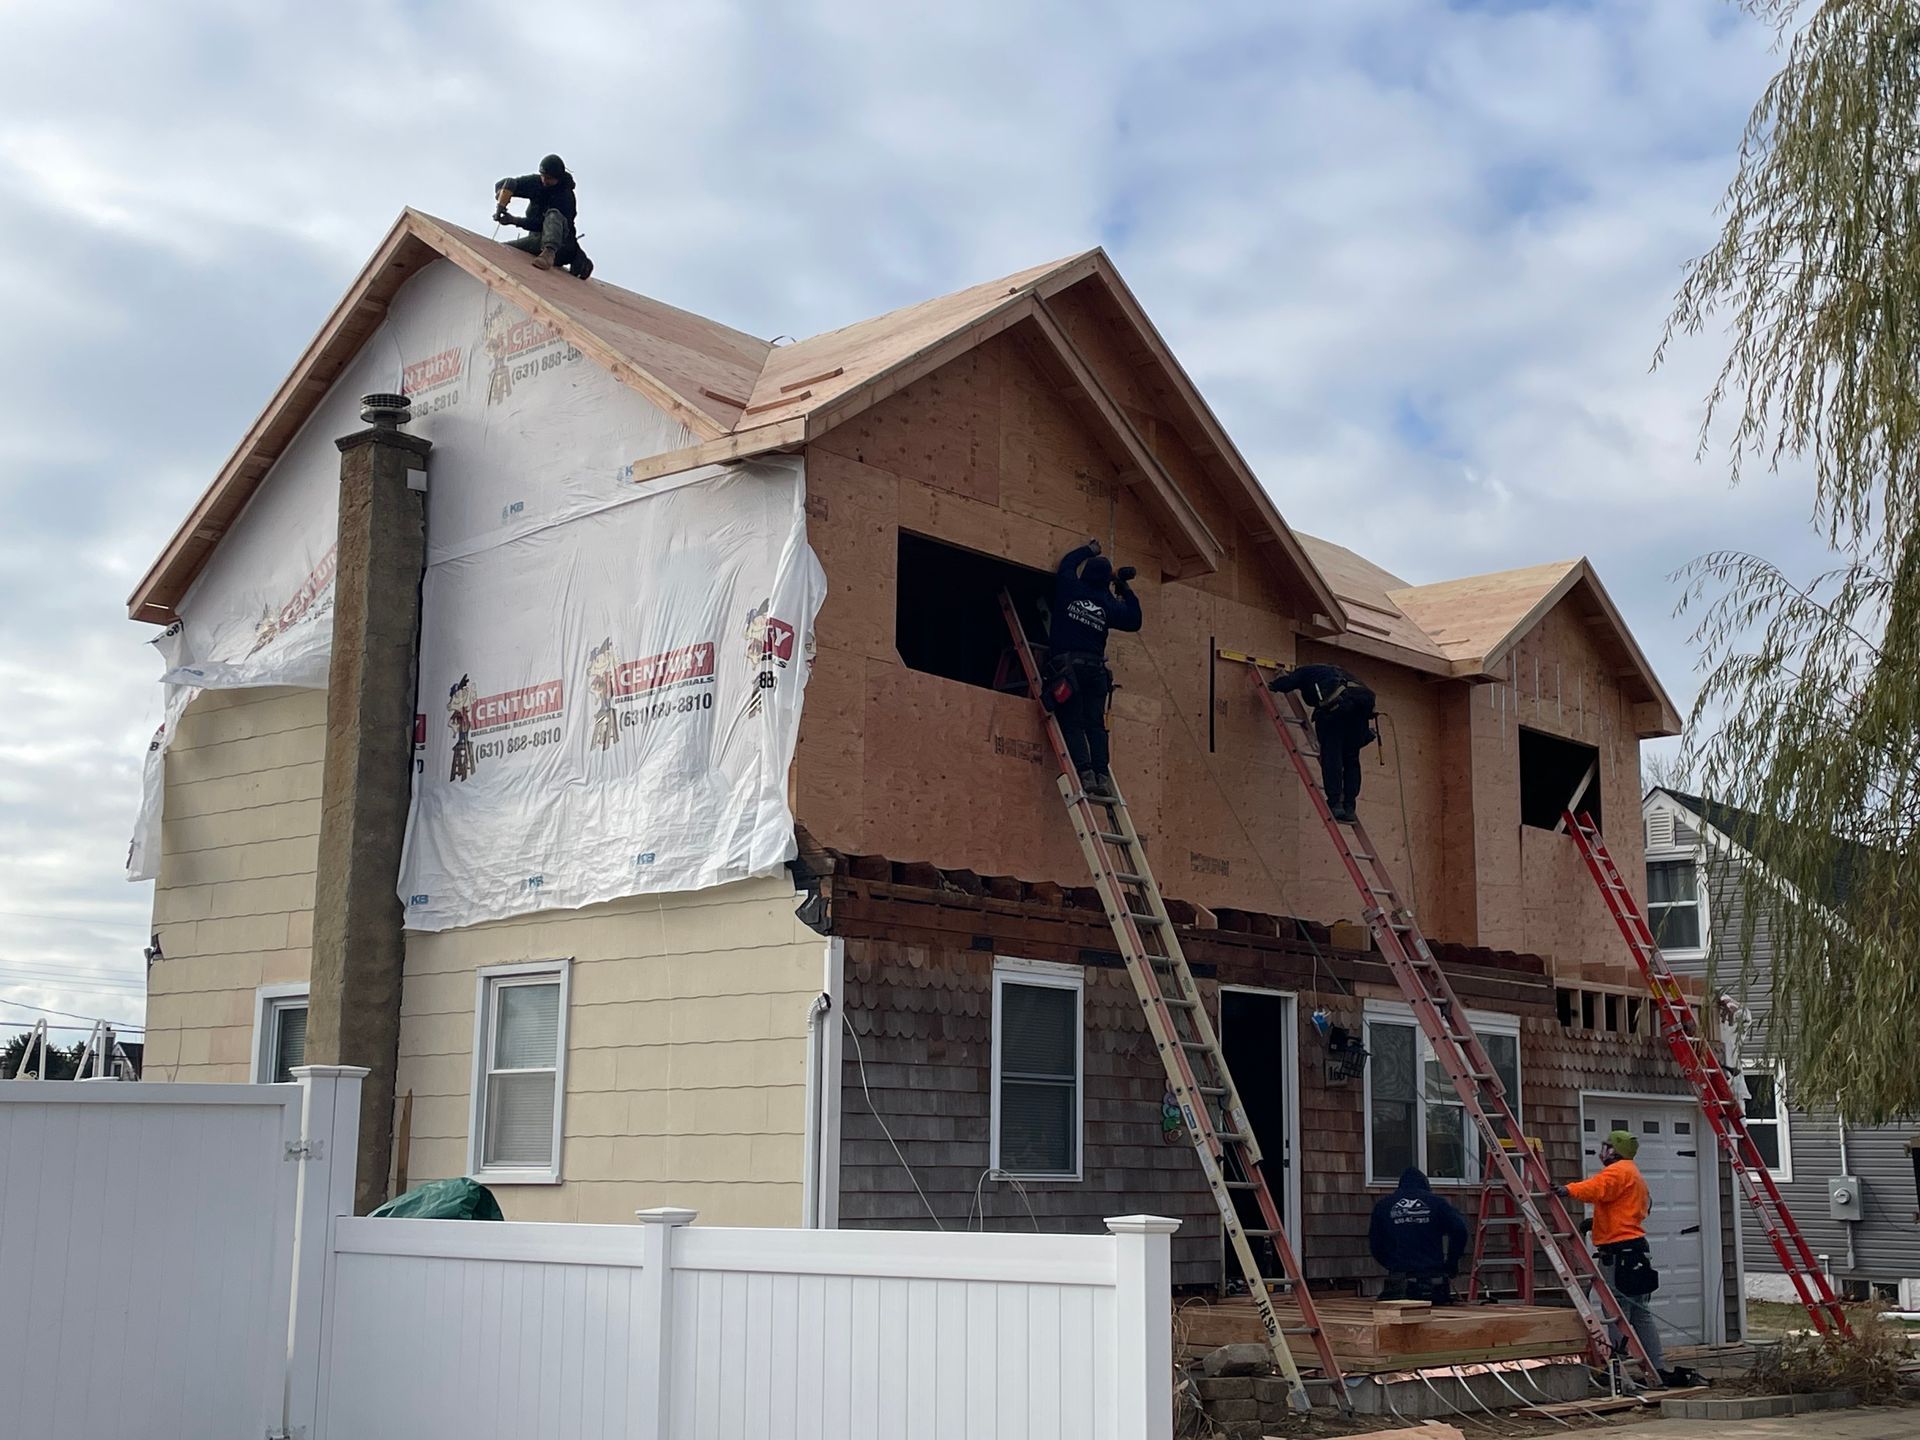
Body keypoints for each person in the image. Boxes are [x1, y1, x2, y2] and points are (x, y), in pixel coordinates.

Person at [1555, 1130, 1674, 1383]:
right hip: (1636, 1250)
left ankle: (1616, 1373)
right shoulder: (1634, 1174)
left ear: (1615, 1150)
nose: (1602, 1151)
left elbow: (1597, 1188)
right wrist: (1597, 1223)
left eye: (1606, 1146)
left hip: (1619, 1254)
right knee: (1641, 1313)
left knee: (1617, 1314)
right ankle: (1658, 1367)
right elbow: (1628, 1206)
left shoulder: (1618, 1171)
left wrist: (1567, 1190)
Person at [1046, 538, 1141, 799]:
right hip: (1095, 671)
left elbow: (1067, 564)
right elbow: (1134, 619)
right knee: (1095, 725)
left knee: (1073, 721)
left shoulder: (1070, 588)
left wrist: (1089, 550)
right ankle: (1102, 775)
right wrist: (1123, 587)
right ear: (1104, 581)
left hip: (1069, 669)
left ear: (1086, 573)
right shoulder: (1108, 605)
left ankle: (1086, 773)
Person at [1267, 662, 1376, 822]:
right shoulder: (1342, 673)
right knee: (1352, 761)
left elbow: (1286, 684)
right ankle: (1349, 807)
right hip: (1358, 719)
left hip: (1335, 716)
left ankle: (1335, 804)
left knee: (1333, 759)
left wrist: (1274, 684)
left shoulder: (1304, 672)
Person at [1369, 1167, 1469, 1304]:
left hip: (1399, 1284)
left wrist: (1392, 1264)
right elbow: (1460, 1229)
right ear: (1426, 1185)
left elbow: (1375, 1244)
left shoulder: (1383, 1206)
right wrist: (1451, 1263)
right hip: (1433, 1283)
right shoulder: (1437, 1204)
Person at [494, 154, 594, 279]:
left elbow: (540, 224)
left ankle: (549, 253)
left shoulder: (565, 196)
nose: (544, 181)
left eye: (549, 178)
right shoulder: (537, 183)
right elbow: (509, 183)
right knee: (503, 250)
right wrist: (503, 195)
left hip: (561, 246)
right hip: (537, 241)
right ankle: (544, 252)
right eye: (543, 176)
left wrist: (515, 220)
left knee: (553, 215)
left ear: (558, 178)